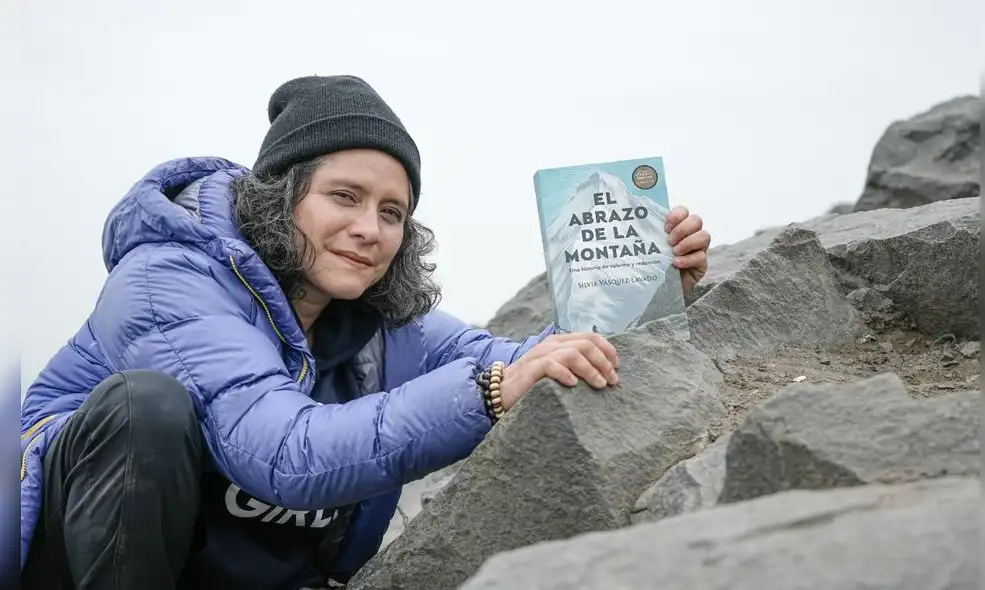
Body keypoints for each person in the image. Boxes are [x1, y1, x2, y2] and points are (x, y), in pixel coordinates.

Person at [18, 75, 712, 590]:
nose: (369, 229)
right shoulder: (169, 281)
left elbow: (525, 361)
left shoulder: (381, 321)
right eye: (343, 197)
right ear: (279, 195)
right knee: (149, 408)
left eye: (392, 211)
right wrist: (491, 394)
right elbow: (282, 453)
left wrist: (638, 291)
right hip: (70, 564)